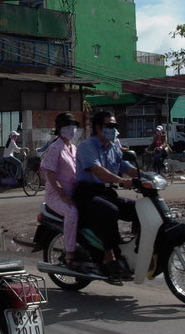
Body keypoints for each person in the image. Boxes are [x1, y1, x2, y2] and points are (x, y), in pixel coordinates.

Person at [74, 111, 139, 279]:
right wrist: (122, 181)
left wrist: (146, 176)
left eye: (115, 126)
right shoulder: (87, 147)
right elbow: (98, 171)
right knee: (110, 211)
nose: (114, 129)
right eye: (110, 126)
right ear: (98, 128)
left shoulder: (114, 147)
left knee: (139, 208)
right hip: (87, 194)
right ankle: (109, 256)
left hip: (106, 192)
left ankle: (136, 248)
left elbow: (127, 167)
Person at [40, 113, 80, 268]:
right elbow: (49, 173)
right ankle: (70, 252)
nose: (72, 129)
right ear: (60, 129)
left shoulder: (73, 148)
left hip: (73, 192)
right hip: (56, 195)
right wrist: (62, 194)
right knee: (72, 213)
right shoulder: (55, 148)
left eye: (73, 126)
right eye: (68, 126)